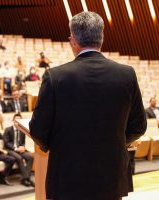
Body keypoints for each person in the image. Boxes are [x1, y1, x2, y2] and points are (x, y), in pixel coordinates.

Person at [29, 11, 147, 200]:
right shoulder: (126, 74)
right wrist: (111, 143)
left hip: (68, 176)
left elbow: (38, 130)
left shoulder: (55, 76)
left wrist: (63, 147)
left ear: (74, 39)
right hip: (111, 176)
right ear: (101, 37)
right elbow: (138, 127)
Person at [3, 113, 34, 187]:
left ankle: (25, 178)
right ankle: (27, 179)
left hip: (20, 150)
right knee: (19, 158)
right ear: (13, 120)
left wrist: (23, 147)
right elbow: (6, 143)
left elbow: (23, 142)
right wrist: (15, 148)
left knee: (30, 157)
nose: (17, 121)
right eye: (16, 119)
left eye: (19, 119)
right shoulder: (8, 129)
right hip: (10, 150)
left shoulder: (22, 130)